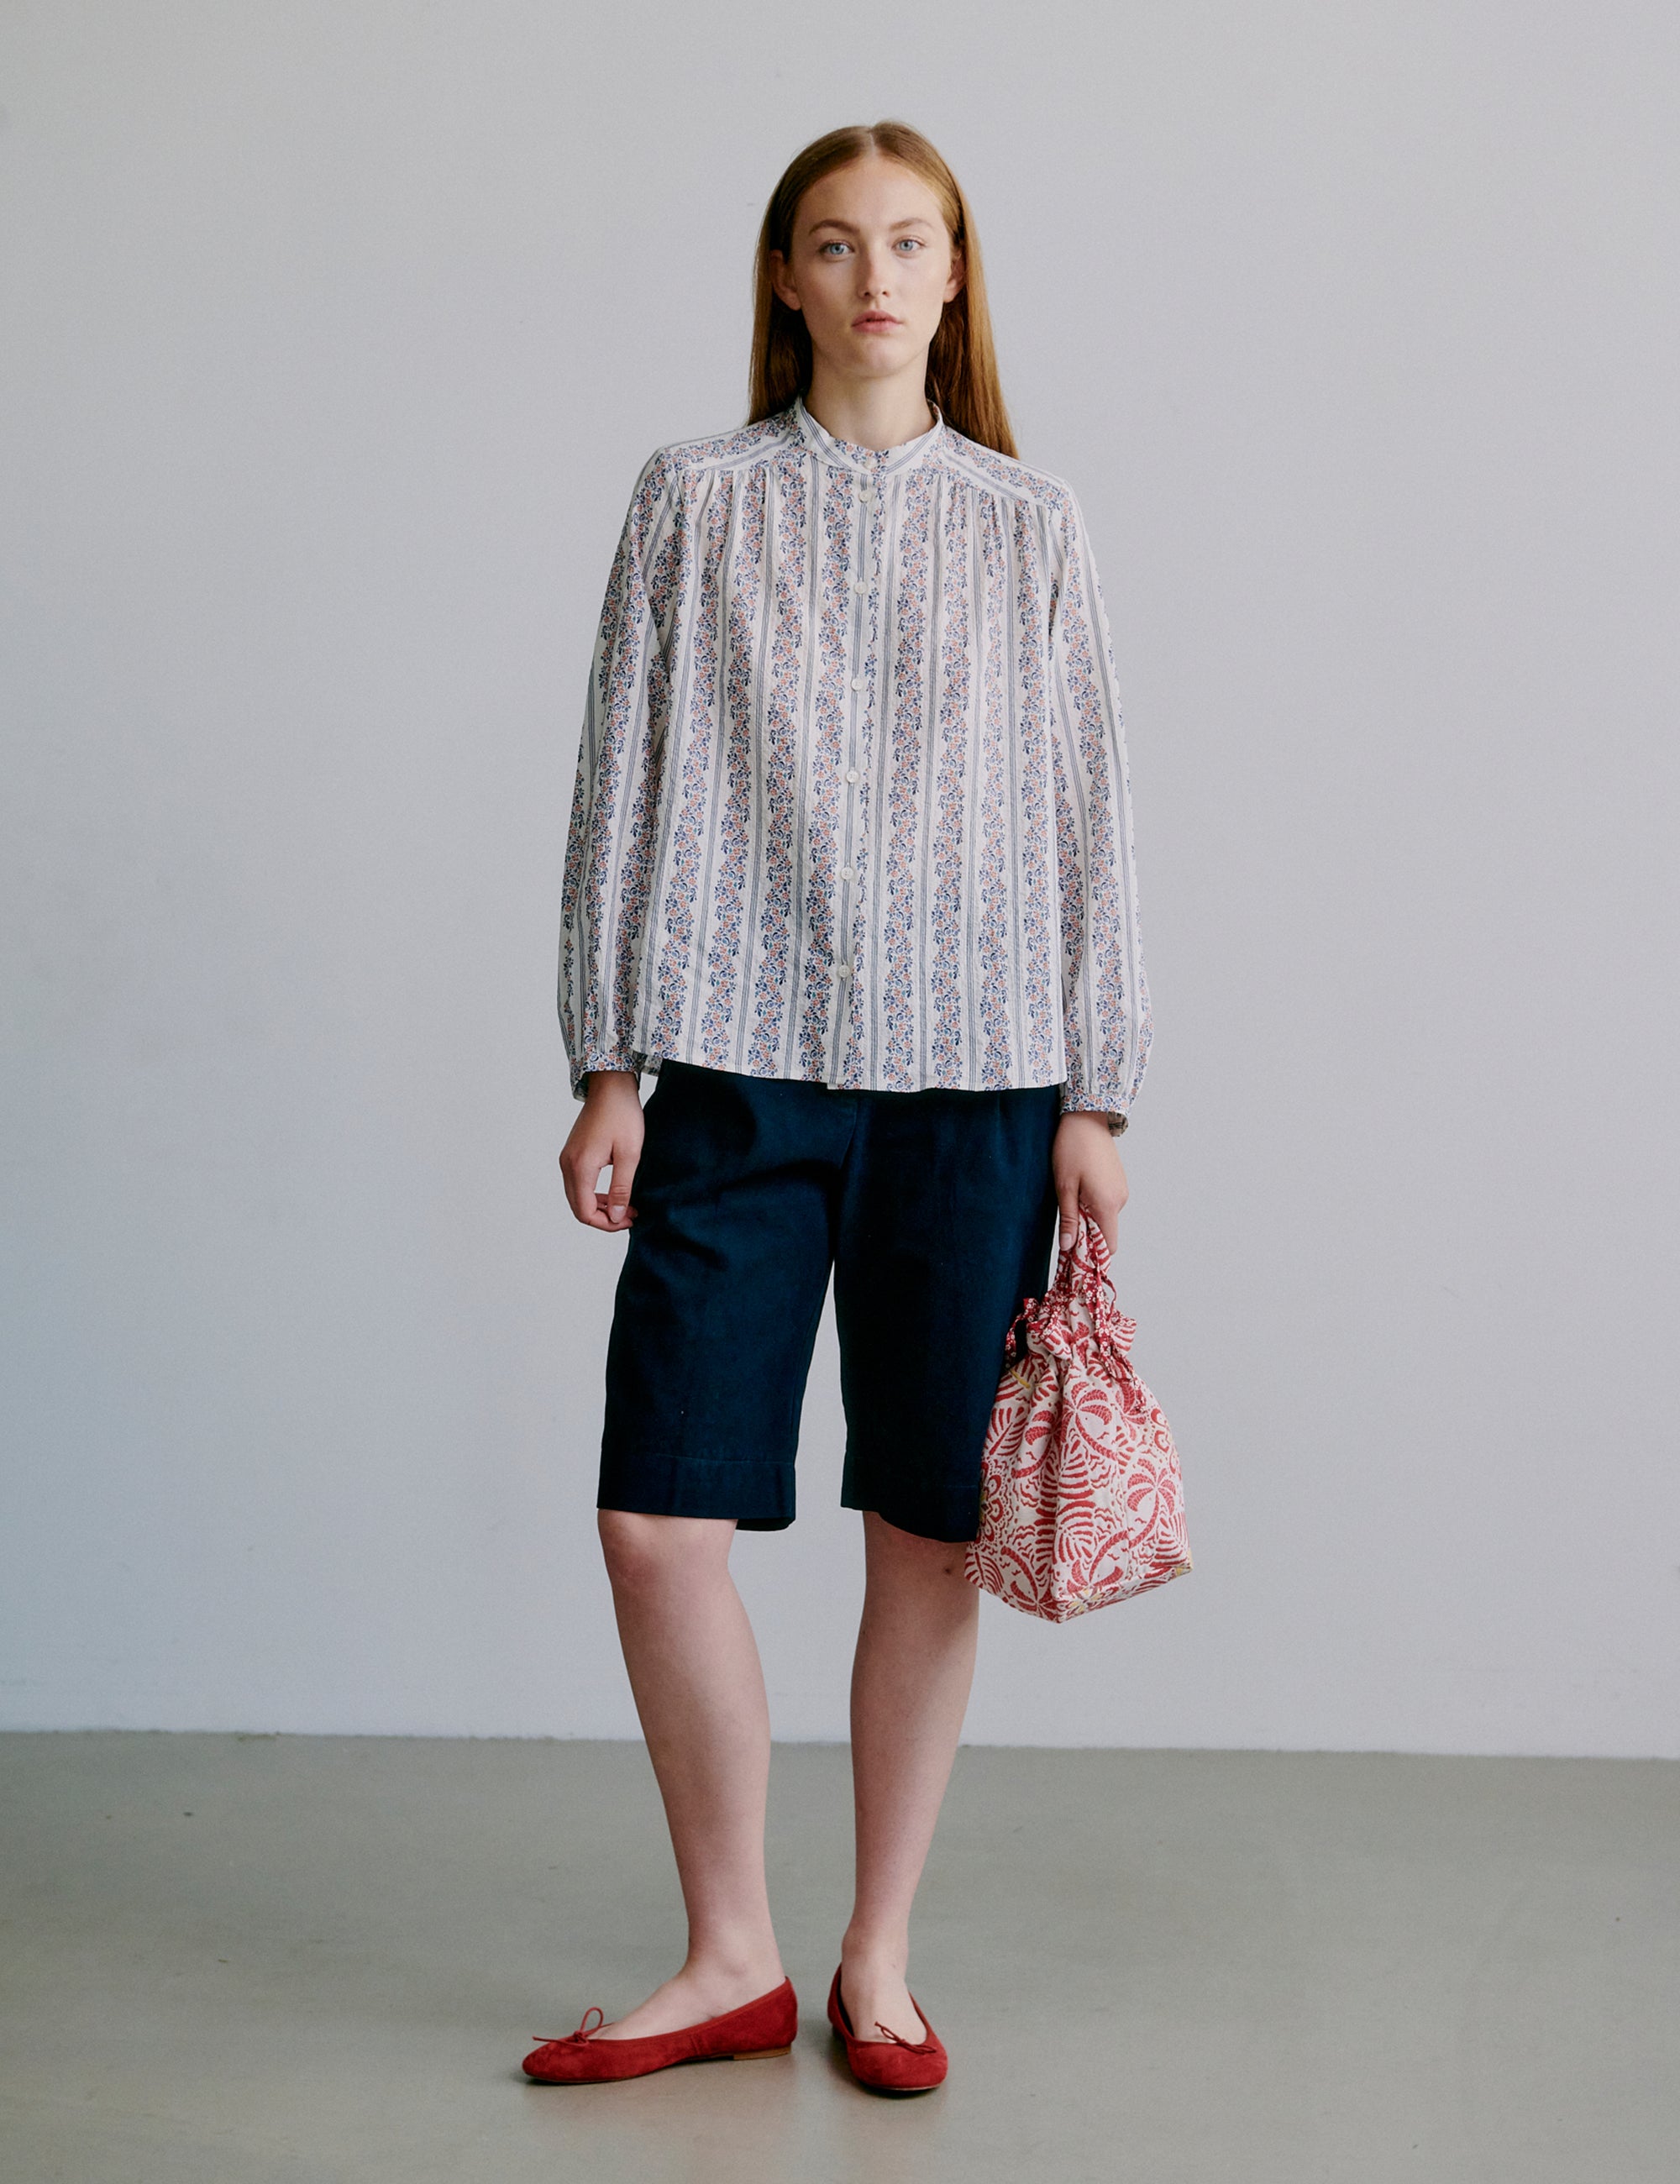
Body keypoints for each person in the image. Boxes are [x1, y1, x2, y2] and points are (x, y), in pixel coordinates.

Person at [524, 118, 1150, 2095]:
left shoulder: (1029, 522)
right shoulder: (691, 501)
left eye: (909, 242)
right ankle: (728, 1949)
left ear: (953, 279)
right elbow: (618, 779)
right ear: (784, 279)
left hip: (978, 1083)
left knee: (923, 1532)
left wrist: (1096, 1093)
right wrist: (605, 1057)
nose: (874, 274)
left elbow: (1090, 821)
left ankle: (876, 1954)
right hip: (729, 1067)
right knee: (655, 1519)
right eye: (831, 242)